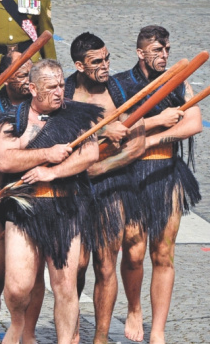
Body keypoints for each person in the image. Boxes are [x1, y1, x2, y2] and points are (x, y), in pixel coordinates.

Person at [0, 59, 101, 344]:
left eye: (62, 85)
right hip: (25, 209)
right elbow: (3, 160)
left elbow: (89, 155)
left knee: (65, 285)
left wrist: (53, 172)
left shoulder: (77, 115)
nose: (59, 91)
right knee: (16, 287)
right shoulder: (12, 120)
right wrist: (46, 154)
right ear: (32, 89)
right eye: (51, 87)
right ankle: (17, 324)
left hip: (65, 207)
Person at [113, 25, 202, 344]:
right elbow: (116, 130)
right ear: (140, 53)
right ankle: (134, 308)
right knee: (133, 252)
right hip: (131, 174)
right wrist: (153, 128)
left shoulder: (179, 81)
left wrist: (152, 140)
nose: (164, 56)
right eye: (157, 51)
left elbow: (194, 123)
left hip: (167, 172)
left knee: (163, 252)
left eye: (166, 50)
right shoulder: (121, 84)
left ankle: (159, 331)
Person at [65, 32, 146, 344]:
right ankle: (70, 328)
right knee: (77, 264)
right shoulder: (67, 92)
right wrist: (97, 129)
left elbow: (137, 145)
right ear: (79, 65)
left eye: (107, 58)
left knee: (105, 262)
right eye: (96, 61)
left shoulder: (120, 91)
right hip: (73, 186)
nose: (105, 66)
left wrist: (103, 166)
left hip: (111, 186)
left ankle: (100, 337)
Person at [0, 51, 43, 338]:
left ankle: (27, 330)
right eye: (20, 74)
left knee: (35, 272)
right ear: (3, 77)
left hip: (34, 191)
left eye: (30, 74)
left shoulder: (37, 103)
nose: (28, 80)